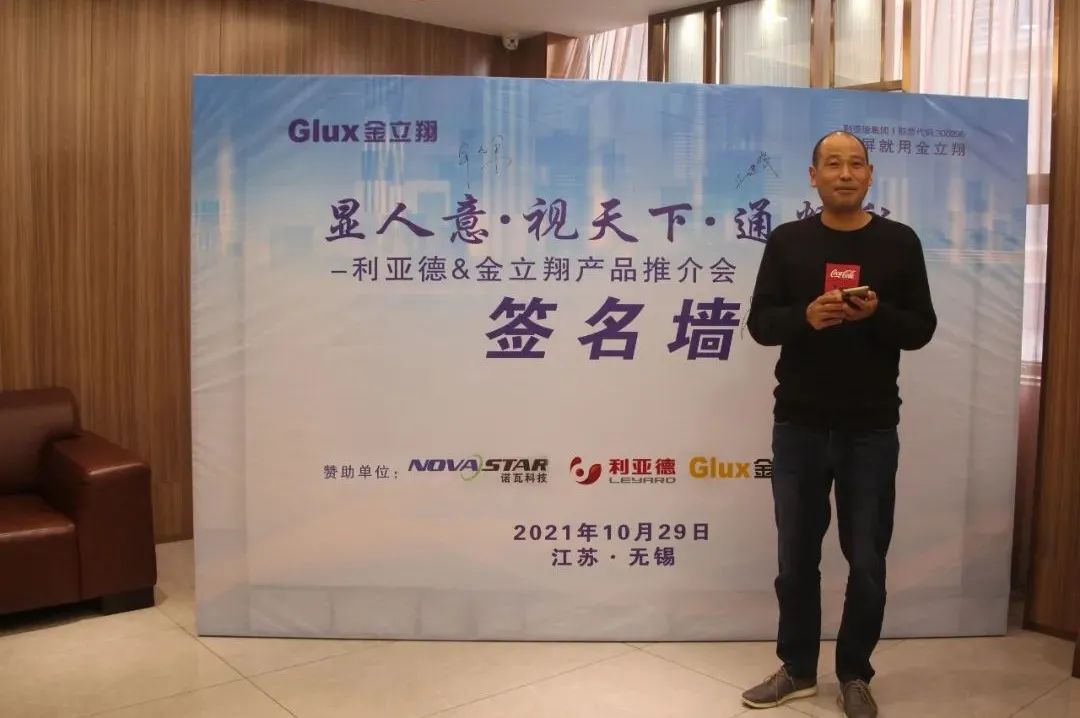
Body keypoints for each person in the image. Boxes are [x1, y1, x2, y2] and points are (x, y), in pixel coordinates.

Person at [740, 131, 937, 718]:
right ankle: (798, 669)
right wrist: (805, 315)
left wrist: (876, 314)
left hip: (870, 427)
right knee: (796, 559)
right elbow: (760, 324)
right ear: (814, 175)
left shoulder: (899, 242)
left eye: (855, 164)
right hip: (798, 425)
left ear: (870, 175)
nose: (845, 173)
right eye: (833, 164)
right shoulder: (788, 241)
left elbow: (921, 329)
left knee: (868, 561)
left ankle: (855, 673)